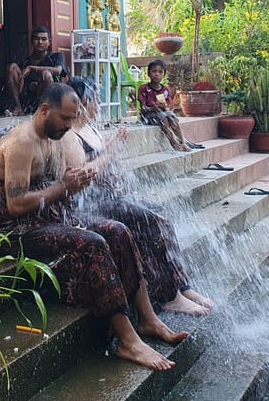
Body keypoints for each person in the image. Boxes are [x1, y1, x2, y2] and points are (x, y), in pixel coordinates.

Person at [0, 83, 188, 370]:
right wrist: (63, 187)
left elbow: (62, 183)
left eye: (72, 118)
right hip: (14, 230)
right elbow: (16, 205)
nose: (69, 125)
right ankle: (127, 340)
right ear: (44, 110)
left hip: (47, 217)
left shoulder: (55, 136)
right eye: (65, 119)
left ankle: (148, 318)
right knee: (91, 242)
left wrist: (77, 179)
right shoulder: (22, 142)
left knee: (118, 230)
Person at [65, 77, 213, 316]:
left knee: (159, 213)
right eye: (95, 100)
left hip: (112, 198)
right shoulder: (71, 134)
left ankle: (182, 286)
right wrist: (111, 151)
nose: (100, 104)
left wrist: (111, 147)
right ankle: (168, 296)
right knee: (150, 220)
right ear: (81, 103)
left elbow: (103, 161)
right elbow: (84, 175)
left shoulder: (89, 128)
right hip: (94, 207)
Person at [139, 60, 203, 152]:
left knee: (172, 117)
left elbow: (169, 107)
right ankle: (174, 144)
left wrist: (164, 107)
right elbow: (143, 108)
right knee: (164, 119)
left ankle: (182, 142)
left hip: (161, 113)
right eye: (154, 71)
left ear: (164, 75)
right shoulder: (144, 88)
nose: (157, 74)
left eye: (160, 72)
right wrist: (153, 108)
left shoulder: (165, 90)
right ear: (148, 74)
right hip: (148, 116)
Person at [7, 26, 67, 115]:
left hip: (47, 98)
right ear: (32, 41)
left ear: (49, 42)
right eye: (36, 39)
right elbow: (19, 83)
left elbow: (58, 71)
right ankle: (18, 106)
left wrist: (32, 68)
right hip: (28, 101)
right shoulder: (26, 61)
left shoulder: (57, 56)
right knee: (12, 67)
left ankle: (50, 109)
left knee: (46, 74)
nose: (40, 42)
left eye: (44, 39)